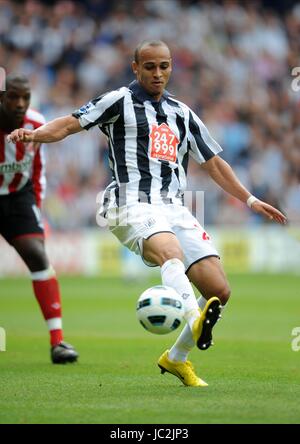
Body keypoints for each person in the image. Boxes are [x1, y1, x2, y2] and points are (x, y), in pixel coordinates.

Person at [8, 41, 286, 385]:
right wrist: (35, 135)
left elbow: (213, 162)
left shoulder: (182, 113)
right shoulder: (117, 101)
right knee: (171, 252)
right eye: (150, 66)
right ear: (135, 67)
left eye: (164, 66)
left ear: (171, 68)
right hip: (128, 202)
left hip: (174, 207)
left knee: (219, 290)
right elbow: (68, 124)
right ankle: (192, 316)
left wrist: (250, 199)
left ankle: (177, 358)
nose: (158, 73)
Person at [1, 74, 78, 364]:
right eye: (13, 97)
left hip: (19, 197)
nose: (20, 104)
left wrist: (35, 205)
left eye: (25, 97)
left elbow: (37, 168)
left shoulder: (35, 123)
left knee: (37, 255)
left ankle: (57, 342)